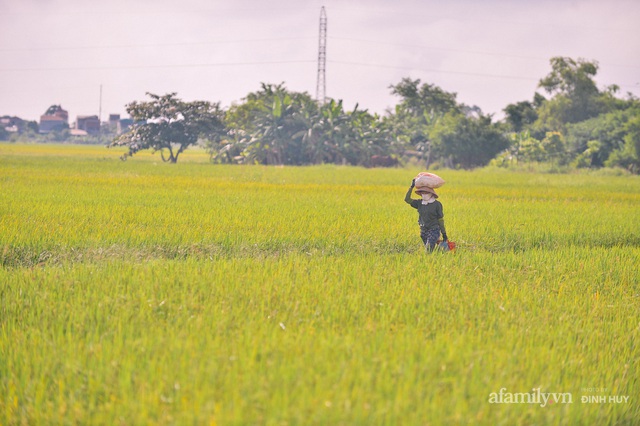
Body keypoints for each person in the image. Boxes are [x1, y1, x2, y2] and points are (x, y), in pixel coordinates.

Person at [404, 179, 448, 251]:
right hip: (423, 231)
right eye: (423, 193)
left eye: (426, 192)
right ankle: (437, 254)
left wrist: (444, 233)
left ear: (431, 193)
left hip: (434, 229)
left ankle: (431, 259)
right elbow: (407, 199)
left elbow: (440, 219)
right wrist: (411, 187)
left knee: (428, 249)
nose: (424, 194)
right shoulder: (419, 203)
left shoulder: (437, 204)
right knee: (430, 249)